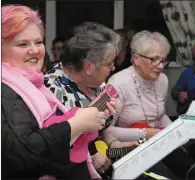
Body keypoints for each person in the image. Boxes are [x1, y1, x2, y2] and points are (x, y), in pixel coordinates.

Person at [1, 5, 116, 179]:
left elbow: (56, 134)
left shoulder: (34, 83)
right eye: (22, 44)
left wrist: (88, 116)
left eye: (38, 42)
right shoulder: (5, 90)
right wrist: (78, 123)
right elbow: (23, 156)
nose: (35, 50)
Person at [104, 30, 195, 179]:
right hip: (127, 150)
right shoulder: (118, 83)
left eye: (163, 60)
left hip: (158, 144)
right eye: (154, 60)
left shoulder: (162, 80)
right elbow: (106, 131)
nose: (160, 66)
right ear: (136, 59)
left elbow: (159, 116)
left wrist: (176, 132)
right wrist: (145, 133)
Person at [44, 21, 138, 176]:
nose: (113, 68)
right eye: (109, 64)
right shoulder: (52, 90)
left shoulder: (98, 83)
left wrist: (116, 146)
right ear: (88, 67)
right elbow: (54, 148)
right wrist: (92, 154)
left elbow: (100, 134)